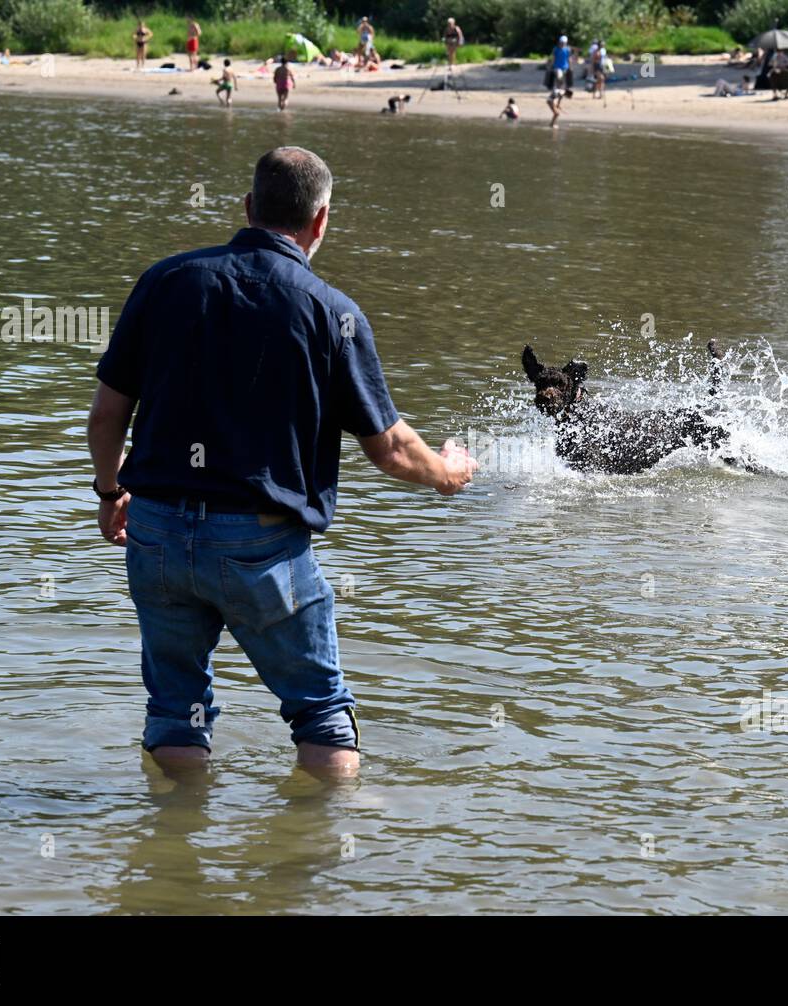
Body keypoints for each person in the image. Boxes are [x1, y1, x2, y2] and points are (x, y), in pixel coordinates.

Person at [87, 147, 477, 778]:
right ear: (320, 222)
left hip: (154, 532)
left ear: (247, 208)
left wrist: (111, 494)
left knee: (174, 715)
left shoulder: (167, 281)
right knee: (321, 715)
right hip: (260, 545)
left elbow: (107, 416)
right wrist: (448, 470)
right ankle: (317, 860)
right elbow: (392, 449)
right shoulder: (332, 312)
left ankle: (175, 859)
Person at [547, 34, 572, 127]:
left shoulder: (567, 50)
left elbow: (560, 99)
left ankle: (552, 124)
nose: (562, 44)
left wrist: (559, 106)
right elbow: (559, 98)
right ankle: (552, 125)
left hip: (565, 67)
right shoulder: (556, 49)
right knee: (557, 113)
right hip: (557, 67)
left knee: (557, 112)